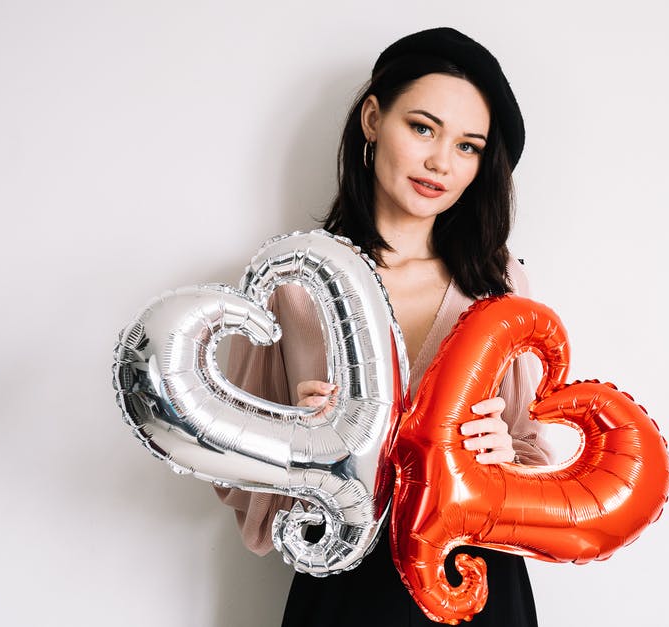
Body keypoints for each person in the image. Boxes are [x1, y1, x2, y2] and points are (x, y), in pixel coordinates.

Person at [215, 27, 555, 626]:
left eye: (468, 146)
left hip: (478, 581)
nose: (440, 162)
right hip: (345, 583)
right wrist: (302, 442)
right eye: (423, 128)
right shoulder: (296, 279)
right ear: (373, 118)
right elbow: (234, 463)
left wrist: (506, 456)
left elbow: (535, 458)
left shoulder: (500, 283)